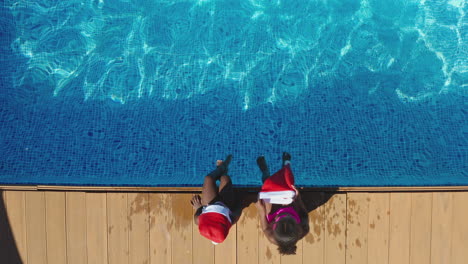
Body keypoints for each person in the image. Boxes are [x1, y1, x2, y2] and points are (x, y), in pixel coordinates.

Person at [255, 152, 309, 255]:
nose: (284, 213)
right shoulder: (303, 230)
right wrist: (298, 198)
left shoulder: (272, 237)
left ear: (274, 226)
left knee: (268, 187)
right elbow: (303, 213)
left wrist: (261, 211)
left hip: (273, 214)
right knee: (289, 187)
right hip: (293, 210)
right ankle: (286, 165)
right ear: (297, 225)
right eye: (288, 217)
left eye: (282, 217)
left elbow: (265, 228)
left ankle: (265, 172)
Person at [191, 154, 238, 244]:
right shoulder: (233, 218)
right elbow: (240, 204)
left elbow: (199, 210)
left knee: (208, 178)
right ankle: (224, 171)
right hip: (226, 204)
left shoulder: (198, 220)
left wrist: (198, 207)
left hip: (209, 203)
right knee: (225, 178)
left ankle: (220, 168)